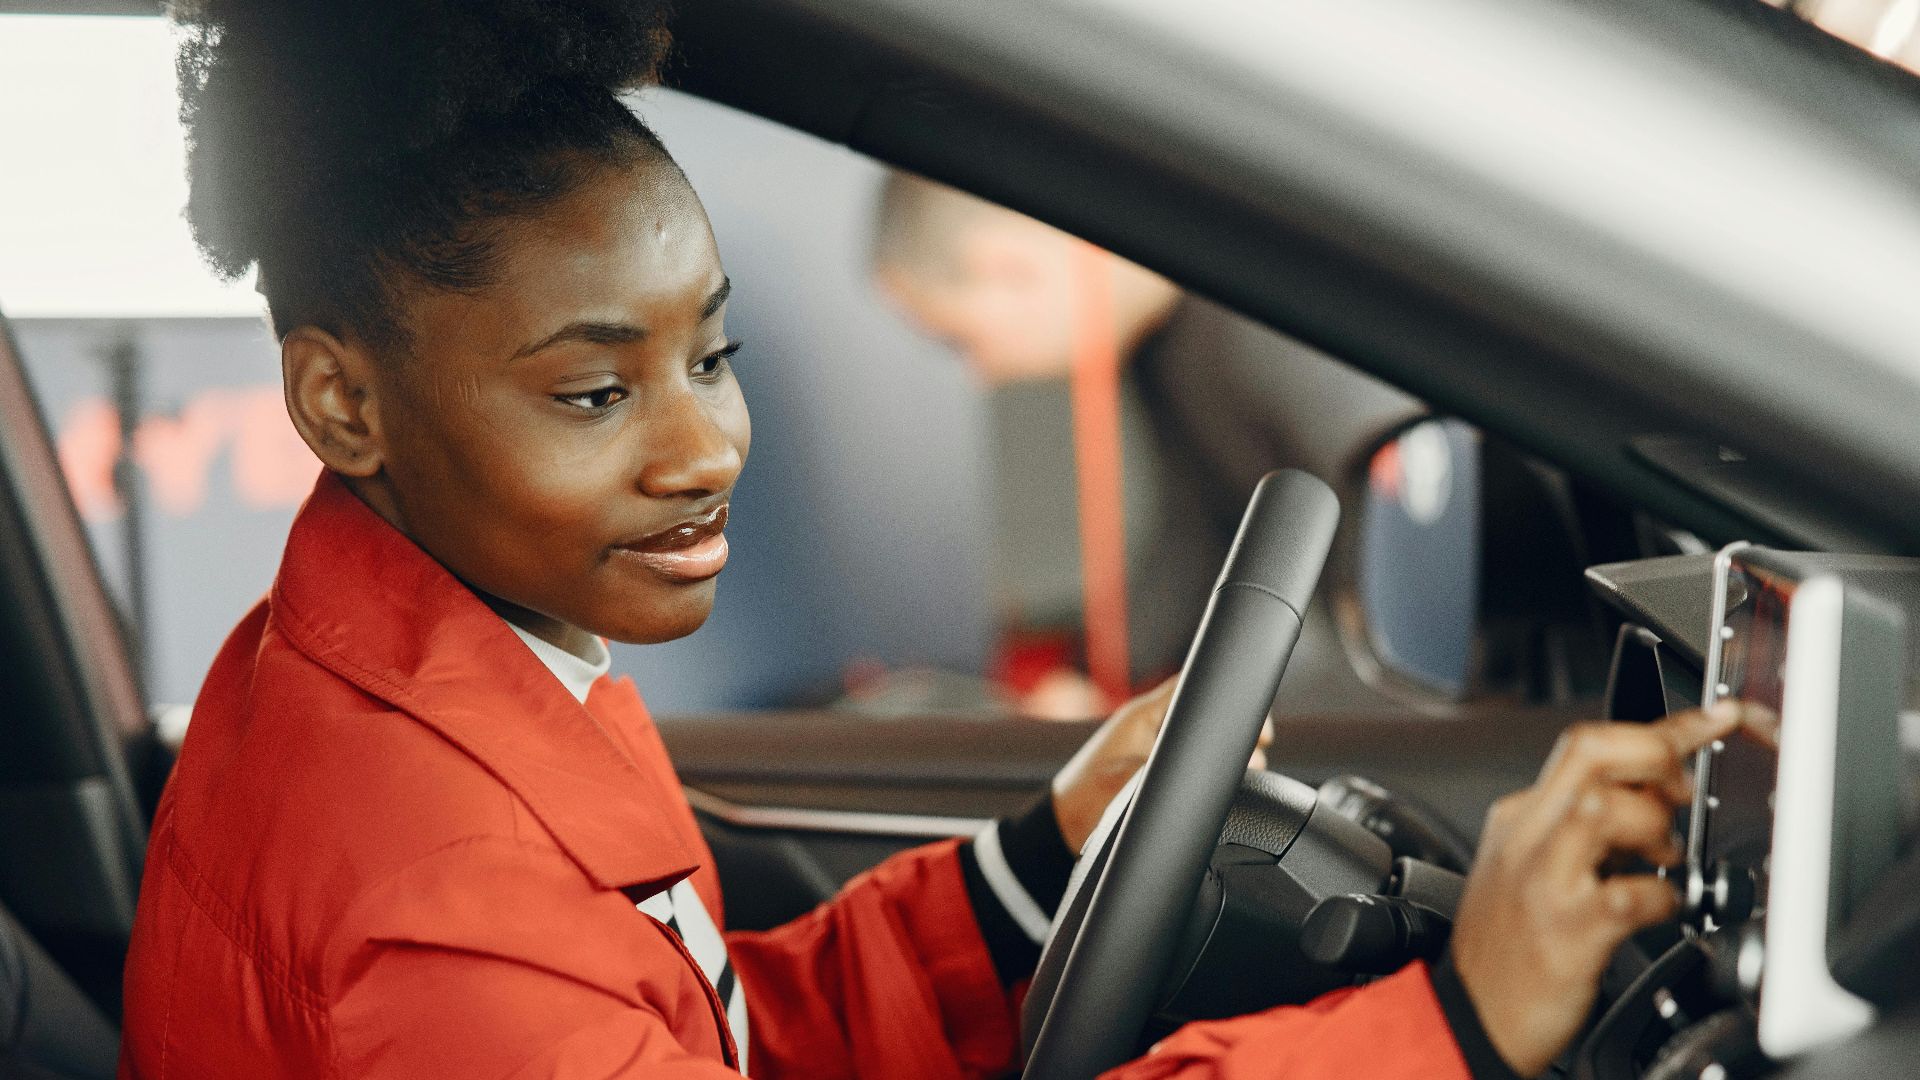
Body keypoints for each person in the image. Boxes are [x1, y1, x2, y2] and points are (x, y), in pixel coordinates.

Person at [119, 3, 1749, 1078]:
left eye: (715, 357)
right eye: (599, 390)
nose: (709, 447)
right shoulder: (430, 903)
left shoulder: (442, 658)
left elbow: (713, 1030)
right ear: (344, 405)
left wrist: (1039, 856)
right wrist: (1453, 1025)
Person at [870, 173, 1428, 715]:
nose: (978, 375)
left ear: (1006, 265)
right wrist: (1091, 682)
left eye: (957, 342)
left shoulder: (1268, 315)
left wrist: (1199, 721)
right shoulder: (1166, 343)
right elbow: (1200, 537)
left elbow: (1409, 558)